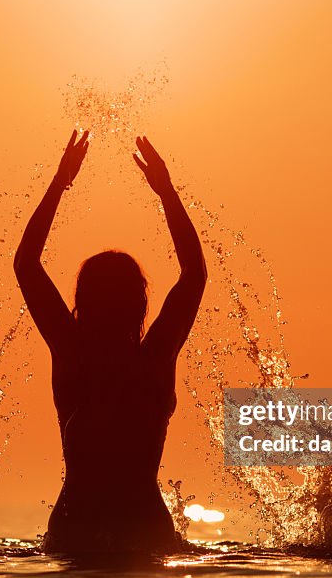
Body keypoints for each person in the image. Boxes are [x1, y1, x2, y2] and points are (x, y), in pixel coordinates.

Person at [14, 131, 207, 555]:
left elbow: (26, 264)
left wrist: (60, 184)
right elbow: (194, 273)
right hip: (145, 528)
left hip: (74, 526)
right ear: (140, 304)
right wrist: (166, 193)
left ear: (81, 302)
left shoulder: (71, 353)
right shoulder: (154, 358)